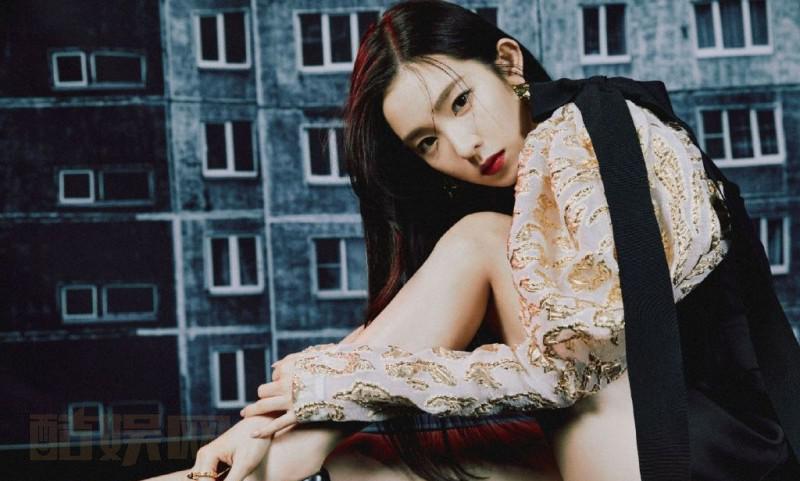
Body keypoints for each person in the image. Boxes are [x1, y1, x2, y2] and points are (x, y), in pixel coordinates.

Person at [149, 1, 800, 480]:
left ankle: (266, 462)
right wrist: (271, 417)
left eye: (459, 102)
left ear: (508, 63)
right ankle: (254, 462)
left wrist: (340, 387)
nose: (462, 145)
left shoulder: (596, 131)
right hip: (637, 443)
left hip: (708, 455)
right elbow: (386, 341)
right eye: (427, 142)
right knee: (360, 464)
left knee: (479, 240)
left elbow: (570, 370)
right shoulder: (528, 197)